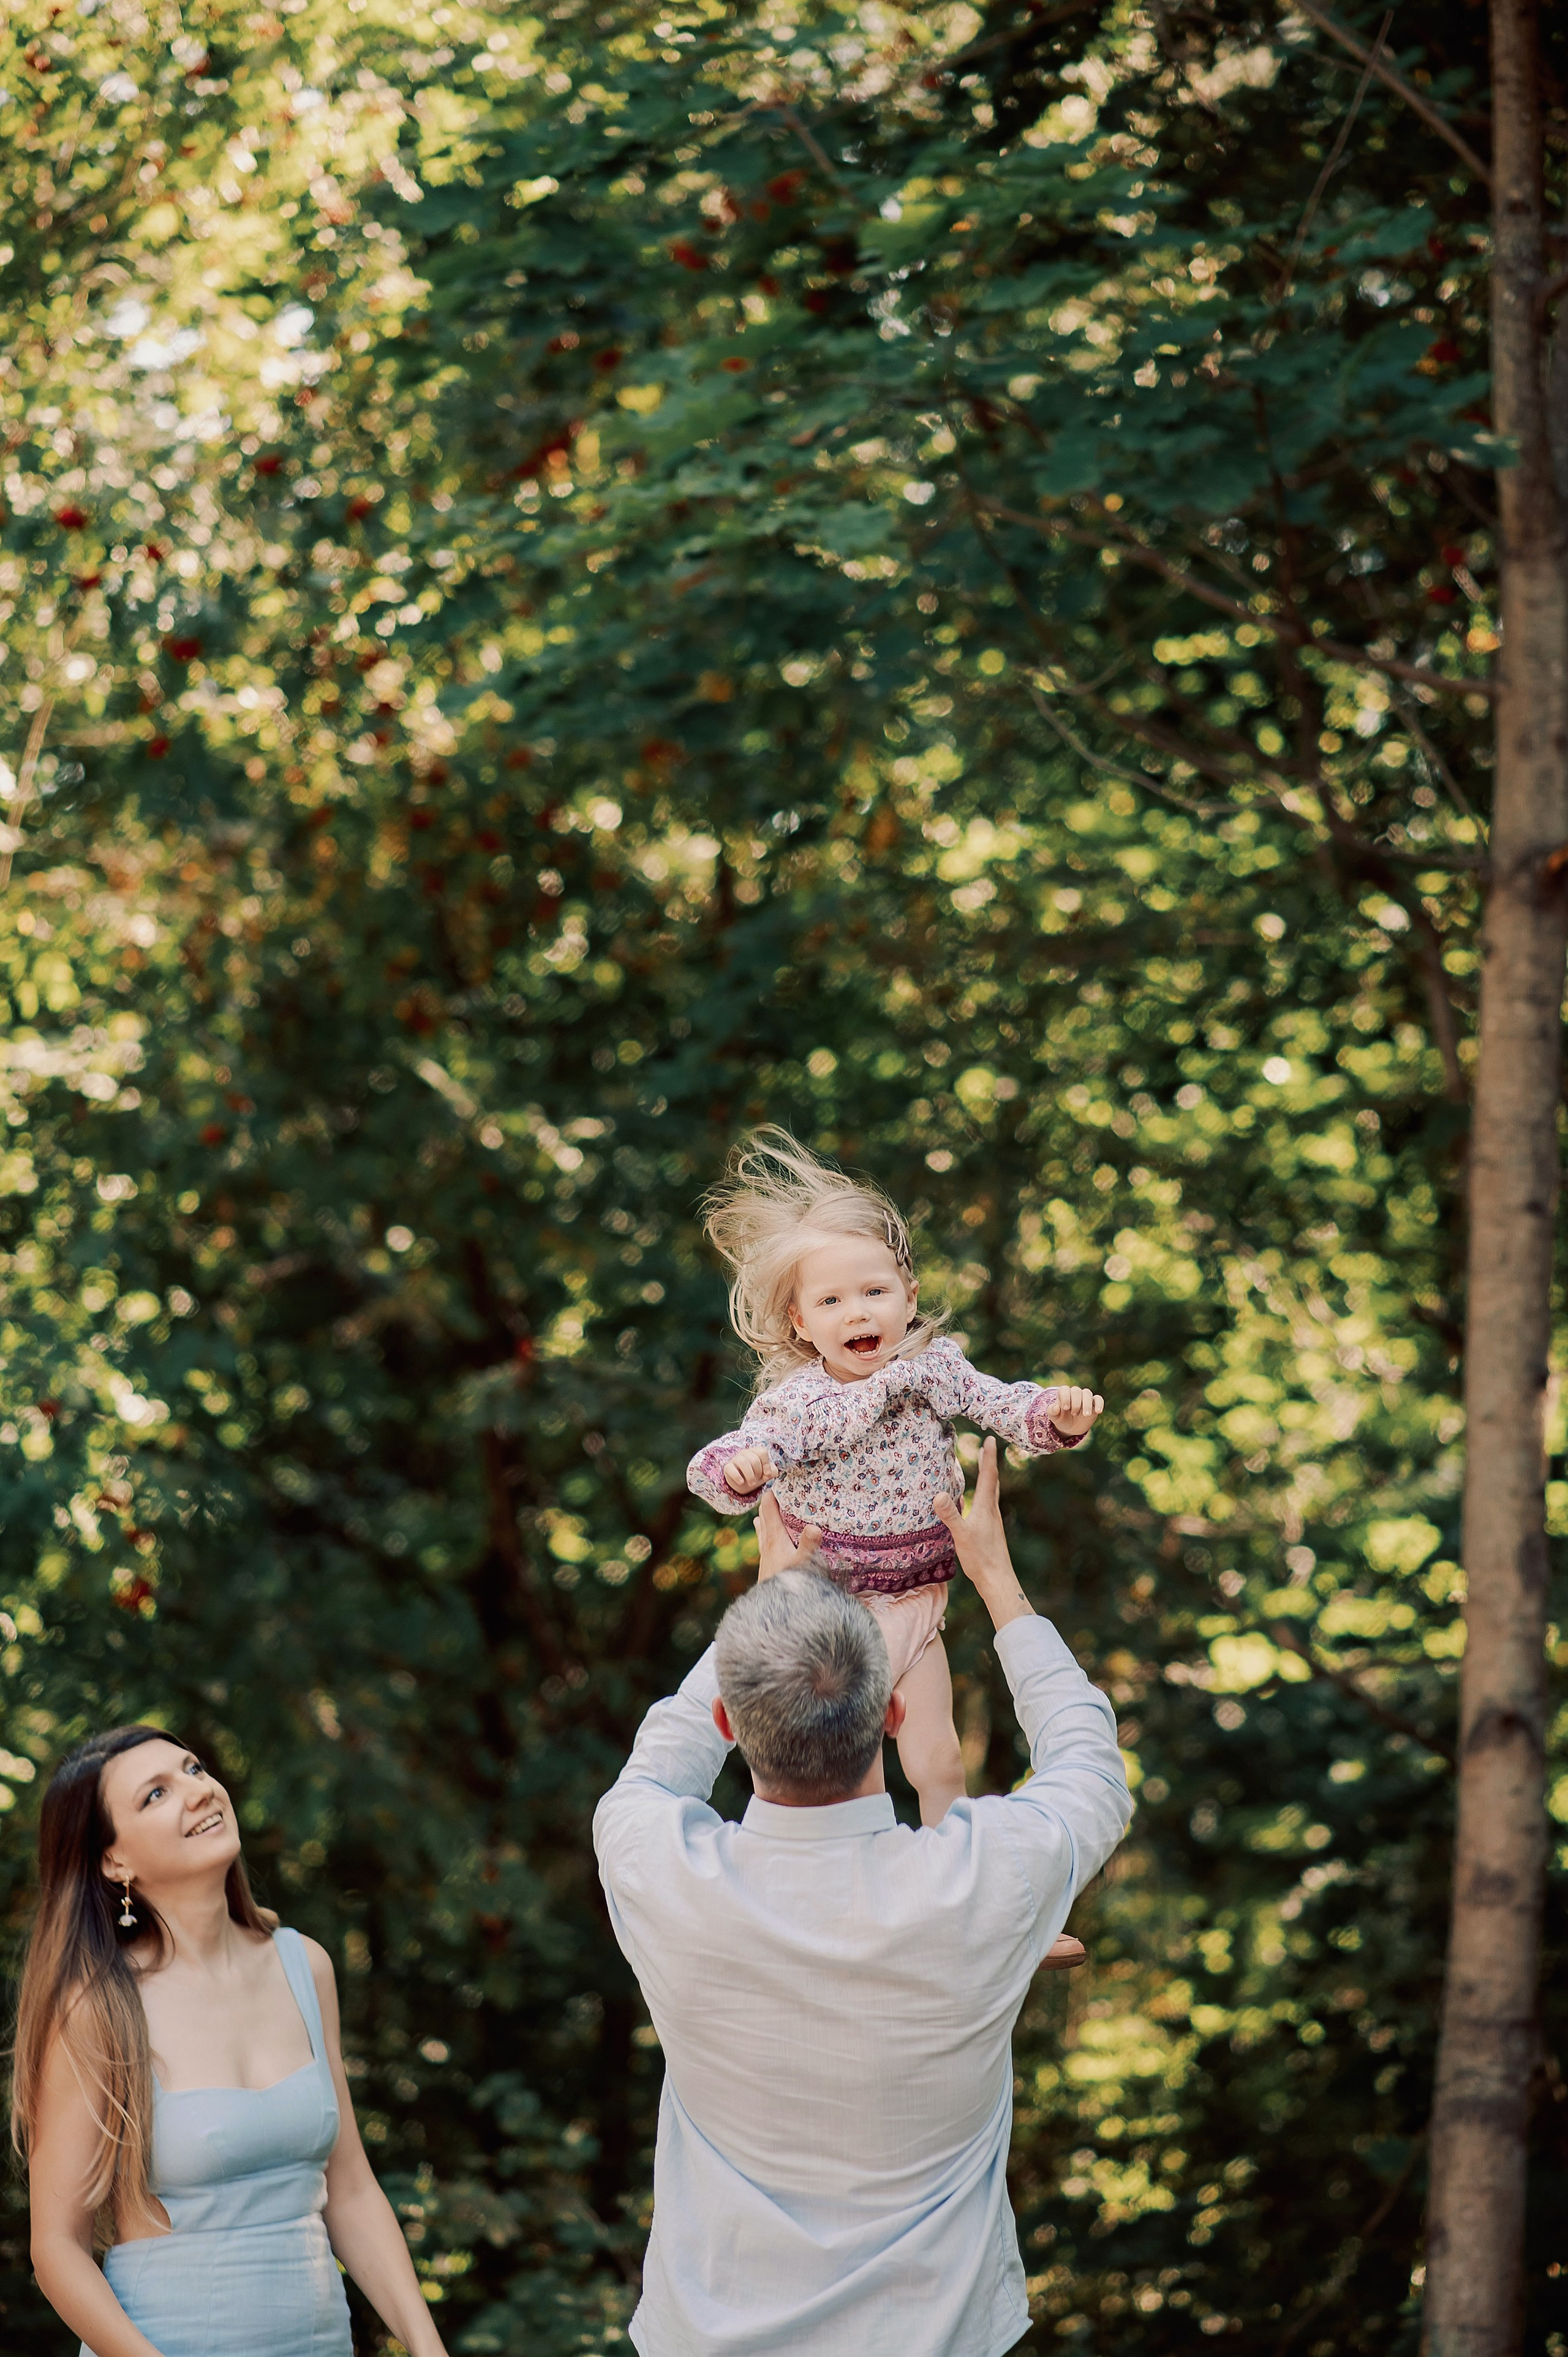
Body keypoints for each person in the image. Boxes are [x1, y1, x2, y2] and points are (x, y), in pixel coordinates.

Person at [595, 1436, 1133, 2357]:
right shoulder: (981, 1877)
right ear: (893, 1712)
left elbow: (668, 1750)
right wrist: (996, 1582)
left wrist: (768, 1603)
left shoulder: (657, 1865)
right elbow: (1090, 1767)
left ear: (733, 1720)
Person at [688, 1130, 1104, 1827]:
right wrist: (740, 1468)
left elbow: (1003, 1405)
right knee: (856, 1773)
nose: (857, 1311)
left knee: (939, 1758)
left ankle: (957, 1880)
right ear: (800, 1321)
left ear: (908, 1297)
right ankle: (863, 1889)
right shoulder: (796, 1403)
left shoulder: (935, 1370)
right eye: (831, 1302)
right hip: (829, 1614)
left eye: (874, 1291)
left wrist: (1056, 1416)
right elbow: (736, 1456)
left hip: (918, 1594)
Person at [12, 1723, 450, 2357]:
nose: (197, 1791)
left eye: (193, 1768)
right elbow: (56, 2247)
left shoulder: (305, 1965)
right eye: (154, 1794)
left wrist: (427, 2345)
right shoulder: (97, 2007)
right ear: (115, 1861)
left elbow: (350, 2189)